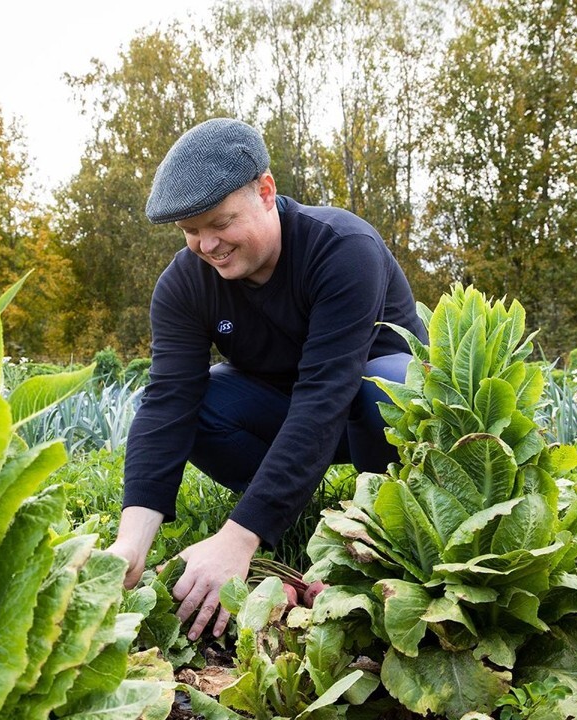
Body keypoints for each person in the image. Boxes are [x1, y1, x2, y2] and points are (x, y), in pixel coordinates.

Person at [106, 118, 427, 641]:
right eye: (190, 231)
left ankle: (380, 517)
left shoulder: (342, 248)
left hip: (375, 414)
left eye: (220, 222)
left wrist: (239, 537)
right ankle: (291, 498)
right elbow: (168, 402)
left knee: (382, 383)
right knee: (201, 400)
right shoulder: (185, 284)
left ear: (266, 191)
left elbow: (326, 393)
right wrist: (130, 544)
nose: (207, 245)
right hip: (287, 414)